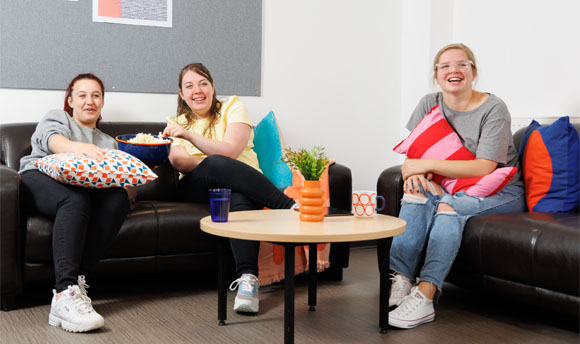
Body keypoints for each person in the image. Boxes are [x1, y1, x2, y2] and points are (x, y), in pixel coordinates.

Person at [387, 43, 526, 329]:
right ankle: (401, 278)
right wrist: (416, 172)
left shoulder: (494, 108)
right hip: (452, 183)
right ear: (436, 74)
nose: (454, 70)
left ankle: (426, 295)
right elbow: (415, 151)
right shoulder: (429, 102)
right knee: (415, 191)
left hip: (499, 190)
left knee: (449, 206)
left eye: (462, 64)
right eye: (445, 66)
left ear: (473, 72)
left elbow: (484, 167)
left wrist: (426, 167)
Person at [162, 62, 296, 314]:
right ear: (181, 94)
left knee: (239, 194)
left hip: (246, 186)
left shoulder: (234, 107)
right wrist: (206, 156)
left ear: (212, 87)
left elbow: (231, 150)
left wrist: (198, 148)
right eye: (189, 86)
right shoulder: (174, 122)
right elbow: (179, 161)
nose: (197, 90)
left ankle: (248, 281)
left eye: (203, 83)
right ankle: (287, 205)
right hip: (197, 189)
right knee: (216, 163)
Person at [19, 73, 135, 333]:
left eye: (96, 95)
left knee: (118, 198)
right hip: (37, 178)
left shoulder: (108, 142)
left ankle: (76, 285)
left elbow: (121, 186)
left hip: (82, 189)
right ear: (70, 101)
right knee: (75, 199)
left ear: (102, 102)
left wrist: (135, 175)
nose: (89, 101)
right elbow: (50, 138)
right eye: (82, 95)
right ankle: (63, 293)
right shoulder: (59, 119)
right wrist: (75, 148)